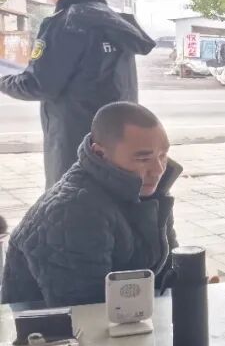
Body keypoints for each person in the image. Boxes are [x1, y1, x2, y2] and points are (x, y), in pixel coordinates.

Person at [1, 102, 181, 307]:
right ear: (100, 154)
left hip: (128, 315)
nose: (158, 169)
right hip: (47, 325)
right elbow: (86, 313)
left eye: (162, 155)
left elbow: (168, 272)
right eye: (143, 159)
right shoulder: (74, 213)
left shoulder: (149, 191)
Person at [0, 0, 156, 187]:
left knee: (72, 204)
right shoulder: (117, 23)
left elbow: (38, 85)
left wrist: (3, 79)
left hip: (76, 151)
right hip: (120, 145)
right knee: (114, 201)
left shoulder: (65, 24)